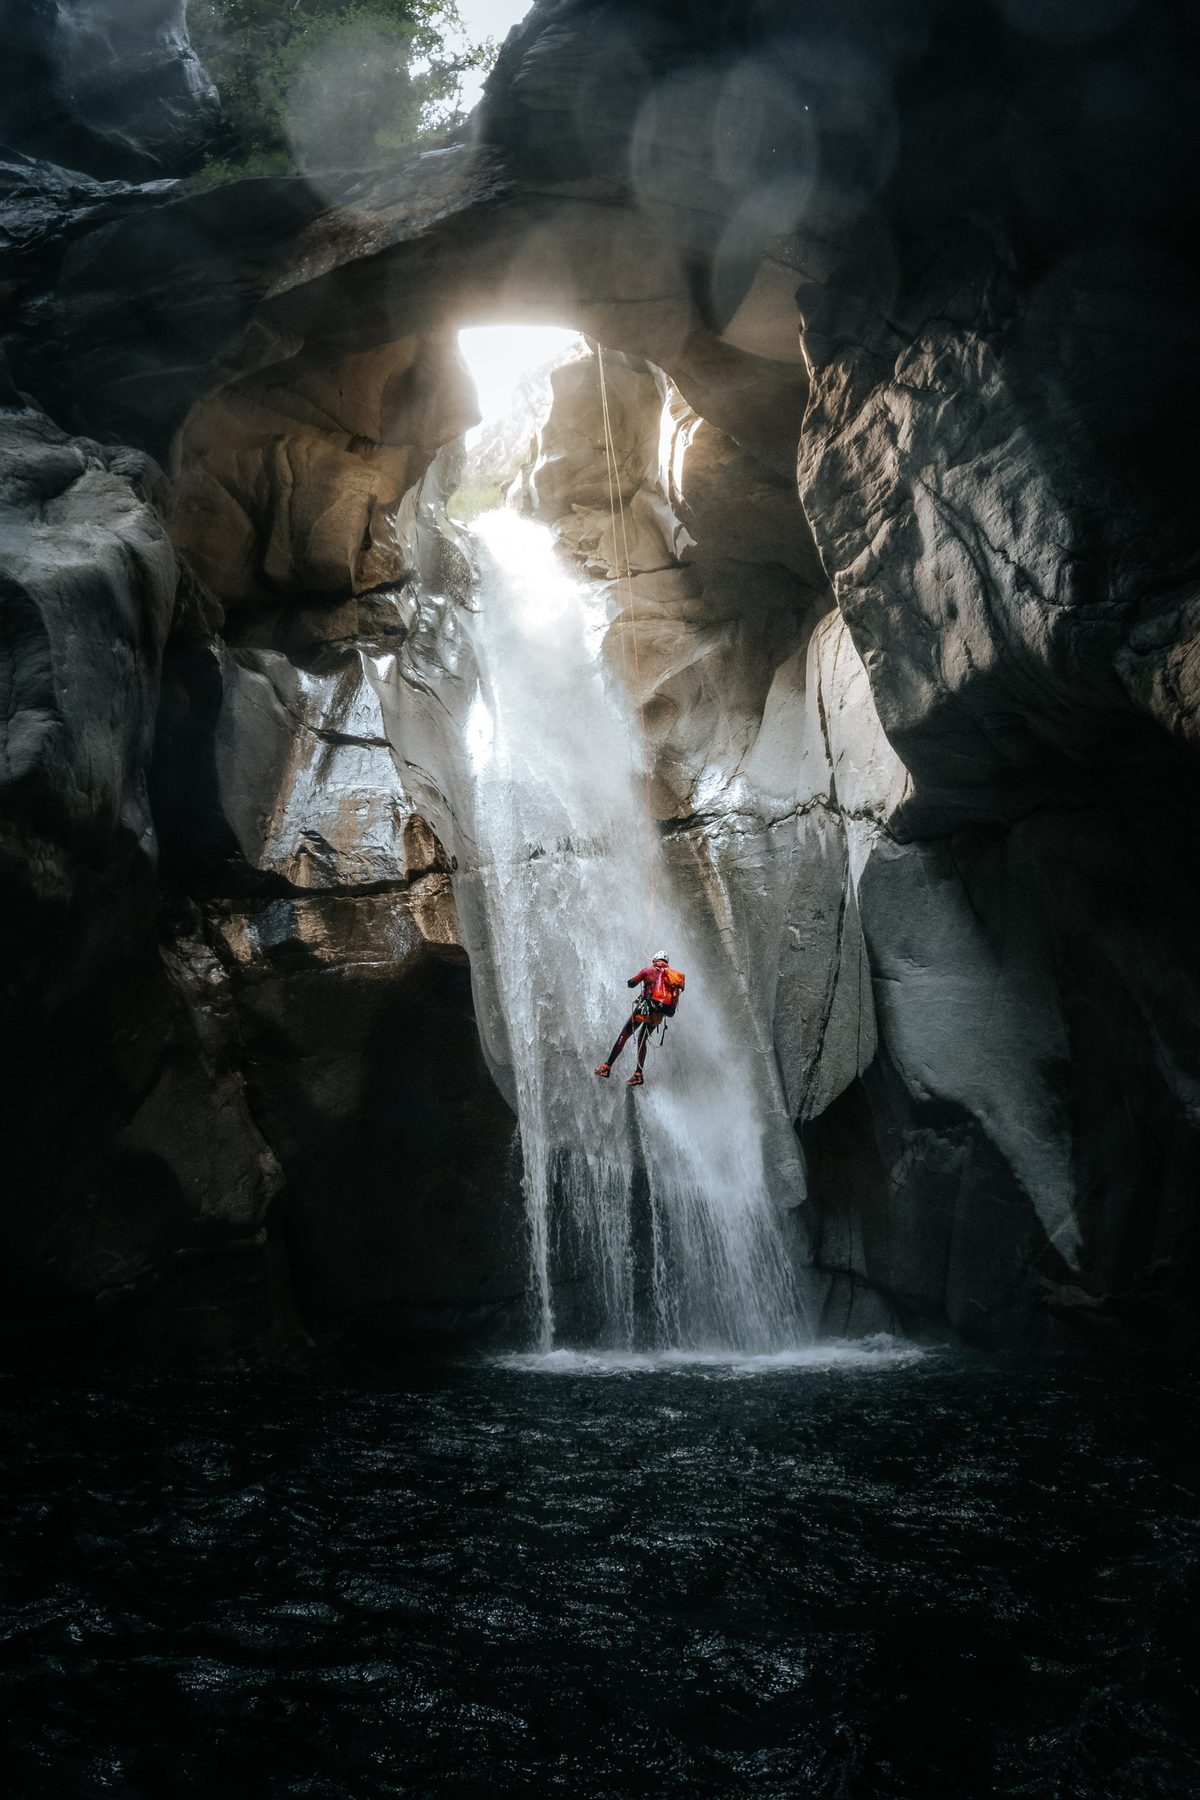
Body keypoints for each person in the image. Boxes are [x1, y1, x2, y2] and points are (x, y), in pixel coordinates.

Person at [595, 953, 686, 1087]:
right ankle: (638, 1074)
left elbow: (632, 984)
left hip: (644, 1010)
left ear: (655, 959)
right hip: (658, 1015)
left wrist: (629, 981)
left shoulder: (648, 970)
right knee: (642, 1040)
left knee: (624, 1034)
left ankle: (607, 1067)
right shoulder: (670, 977)